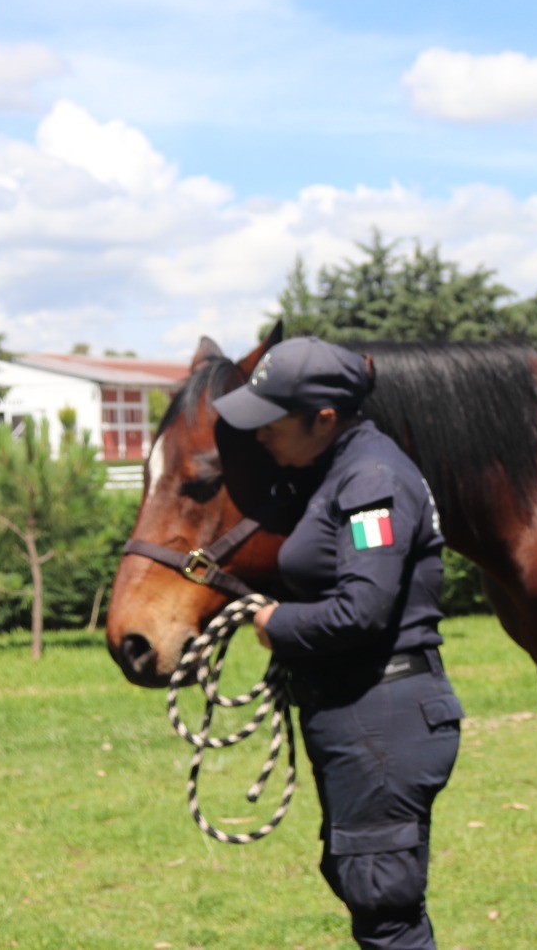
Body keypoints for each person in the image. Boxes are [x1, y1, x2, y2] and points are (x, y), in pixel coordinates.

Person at [212, 336, 461, 950]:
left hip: (382, 719)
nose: (261, 435)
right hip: (362, 715)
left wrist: (277, 625)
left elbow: (363, 610)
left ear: (324, 419)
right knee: (369, 891)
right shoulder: (340, 472)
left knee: (384, 905)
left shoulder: (371, 481)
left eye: (271, 421)